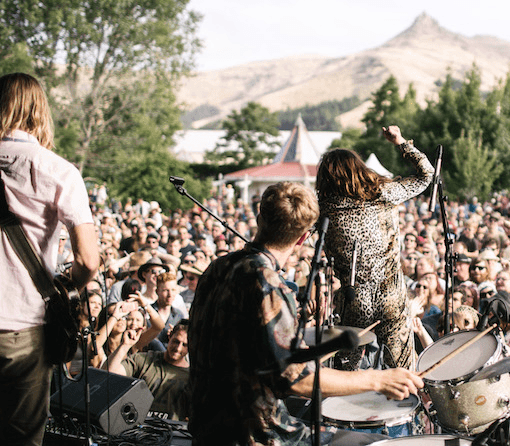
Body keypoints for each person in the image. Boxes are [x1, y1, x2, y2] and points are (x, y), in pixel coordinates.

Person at [188, 182, 422, 445]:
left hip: (205, 427)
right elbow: (296, 380)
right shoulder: (265, 282)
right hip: (254, 435)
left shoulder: (216, 267)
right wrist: (379, 379)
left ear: (259, 217)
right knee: (370, 443)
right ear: (302, 238)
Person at [0, 73, 99, 445]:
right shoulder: (59, 171)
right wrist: (64, 285)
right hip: (22, 331)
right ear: (40, 110)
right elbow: (89, 261)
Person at [316, 126, 434, 370]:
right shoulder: (383, 193)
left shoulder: (325, 210)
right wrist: (400, 141)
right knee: (401, 369)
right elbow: (426, 174)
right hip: (391, 295)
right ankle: (405, 405)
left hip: (354, 300)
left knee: (345, 373)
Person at [107, 321, 190, 419]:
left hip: (171, 430)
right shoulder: (144, 360)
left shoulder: (191, 376)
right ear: (170, 337)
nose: (178, 348)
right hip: (136, 427)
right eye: (176, 341)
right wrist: (125, 345)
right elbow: (109, 375)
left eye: (184, 345)